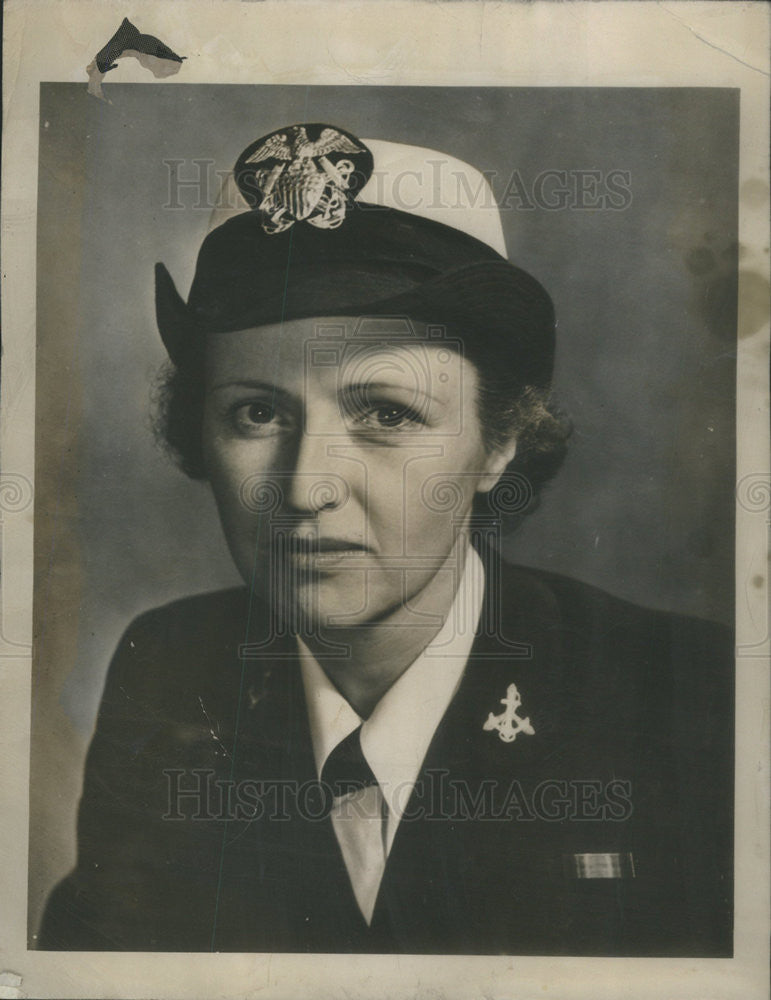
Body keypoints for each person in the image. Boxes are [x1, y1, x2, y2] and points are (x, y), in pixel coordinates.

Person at [39, 122, 733, 955]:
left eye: (386, 414)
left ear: (500, 439)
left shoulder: (688, 694)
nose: (305, 489)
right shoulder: (172, 665)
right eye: (256, 413)